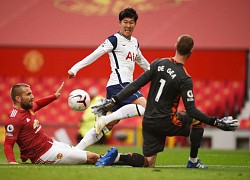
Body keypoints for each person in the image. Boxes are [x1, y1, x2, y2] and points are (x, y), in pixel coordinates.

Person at [94, 34, 239, 168]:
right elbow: (191, 110)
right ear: (191, 52)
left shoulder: (158, 63)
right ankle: (193, 161)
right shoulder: (184, 78)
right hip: (166, 121)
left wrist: (113, 100)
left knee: (148, 162)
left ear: (175, 45)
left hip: (149, 121)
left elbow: (135, 85)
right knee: (197, 120)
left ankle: (118, 157)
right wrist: (216, 122)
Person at [68, 7, 150, 150]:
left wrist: (157, 73)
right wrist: (75, 68)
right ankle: (106, 118)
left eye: (131, 22)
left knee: (106, 127)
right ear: (119, 23)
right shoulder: (114, 40)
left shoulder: (135, 42)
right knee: (146, 107)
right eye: (125, 22)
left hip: (122, 86)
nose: (128, 25)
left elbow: (142, 61)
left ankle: (76, 149)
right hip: (119, 84)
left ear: (135, 24)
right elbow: (95, 54)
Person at [3, 82, 107, 165]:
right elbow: (8, 143)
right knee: (92, 157)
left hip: (51, 144)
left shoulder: (28, 108)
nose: (32, 96)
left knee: (79, 151)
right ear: (18, 98)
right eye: (28, 94)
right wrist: (11, 161)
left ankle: (116, 158)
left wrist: (54, 96)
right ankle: (115, 159)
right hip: (43, 155)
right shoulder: (14, 119)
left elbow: (38, 104)